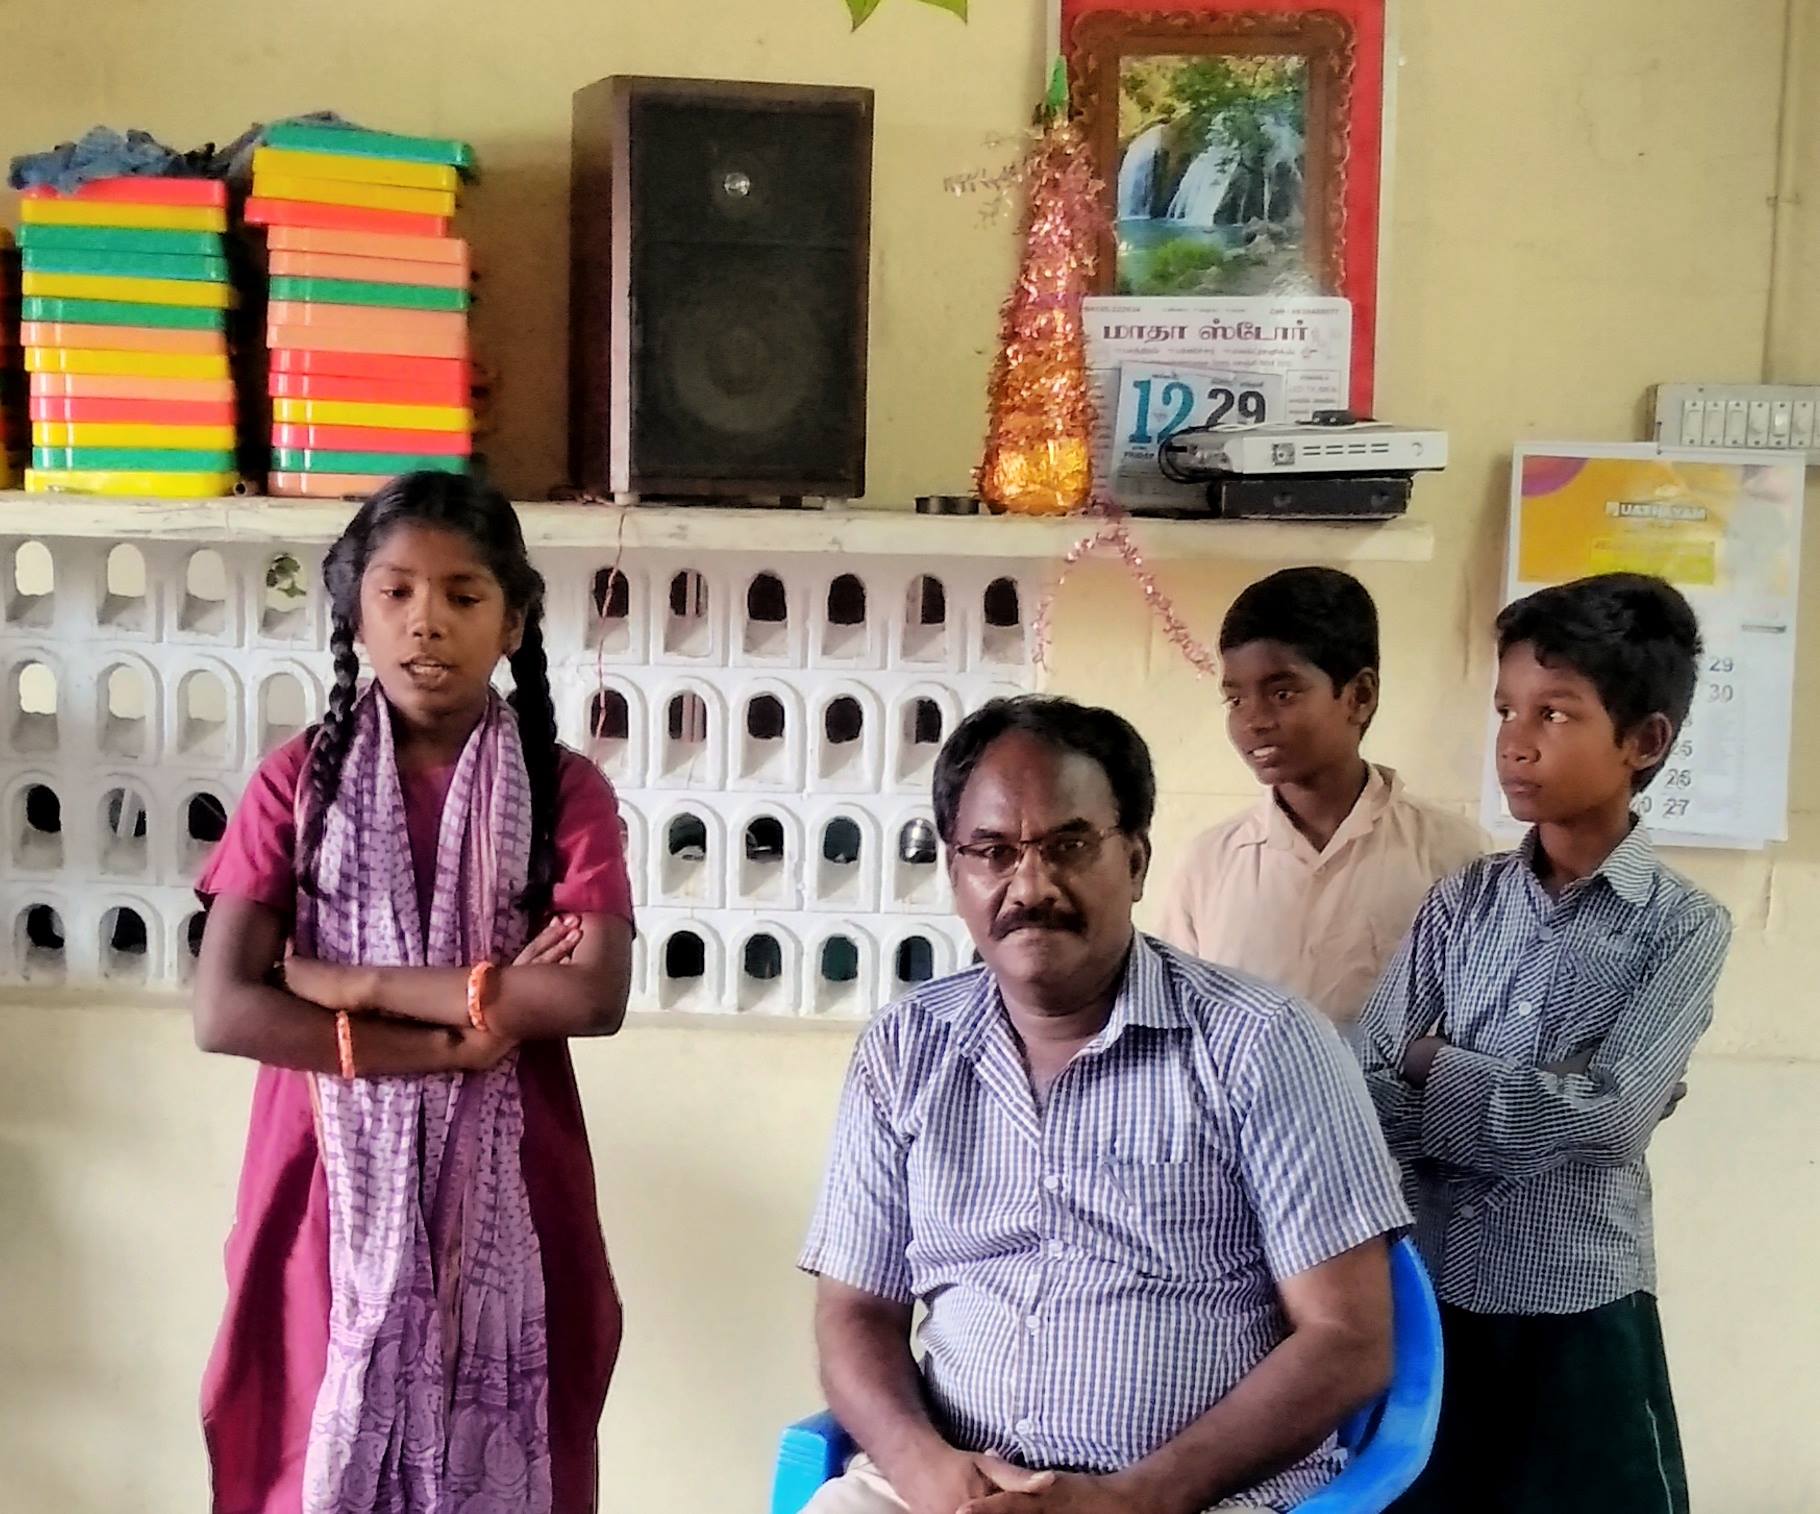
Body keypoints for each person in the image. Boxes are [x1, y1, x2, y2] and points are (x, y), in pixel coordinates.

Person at [800, 695, 1412, 1514]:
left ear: (1135, 860)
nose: (1031, 885)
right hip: (948, 1487)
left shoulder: (1265, 1044)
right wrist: (927, 1471)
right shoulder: (905, 1050)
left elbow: (1348, 1340)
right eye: (993, 852)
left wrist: (1133, 1499)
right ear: (955, 873)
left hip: (1193, 1499)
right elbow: (854, 1310)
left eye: (1070, 845)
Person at [192, 473, 636, 1514]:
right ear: (356, 610)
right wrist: (458, 1035)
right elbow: (226, 1010)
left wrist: (352, 983)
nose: (425, 622)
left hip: (514, 1182)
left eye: (462, 595)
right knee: (309, 1445)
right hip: (323, 1189)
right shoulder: (295, 785)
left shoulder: (563, 791)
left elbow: (591, 997)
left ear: (513, 620)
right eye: (394, 592)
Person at [1355, 573, 1733, 1514]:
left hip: (1582, 1305)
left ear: (1645, 741)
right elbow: (1365, 1085)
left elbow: (1611, 1119)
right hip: (1435, 1295)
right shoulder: (1462, 902)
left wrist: (1437, 1065)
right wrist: (1540, 1095)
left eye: (1555, 714)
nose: (1515, 742)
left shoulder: (1682, 926)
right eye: (1506, 711)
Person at [1158, 567, 1483, 1026]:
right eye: (1236, 700)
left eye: (1282, 693)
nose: (1254, 721)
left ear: (1359, 696)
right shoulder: (1207, 864)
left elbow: (1473, 1022)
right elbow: (1179, 1020)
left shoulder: (1453, 857)